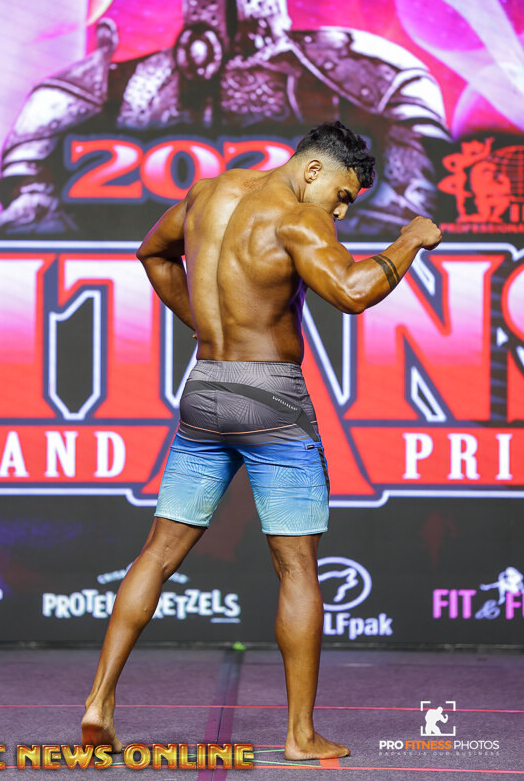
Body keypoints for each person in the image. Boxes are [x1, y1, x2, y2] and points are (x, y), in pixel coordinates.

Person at [81, 120, 442, 761]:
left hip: (205, 387)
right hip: (273, 397)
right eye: (342, 195)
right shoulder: (299, 217)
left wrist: (206, 322)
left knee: (157, 553)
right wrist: (410, 240)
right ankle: (300, 736)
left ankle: (98, 702)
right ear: (312, 169)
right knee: (297, 567)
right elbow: (353, 292)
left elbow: (151, 253)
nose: (339, 210)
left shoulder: (206, 194)